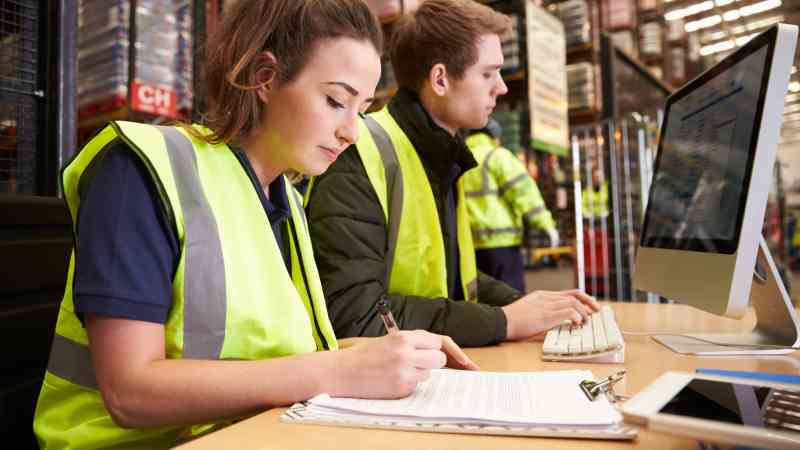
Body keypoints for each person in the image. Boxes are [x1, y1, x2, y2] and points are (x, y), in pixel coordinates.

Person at [33, 2, 477, 448]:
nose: (351, 132)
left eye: (360, 109)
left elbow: (271, 358)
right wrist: (335, 369)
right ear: (264, 77)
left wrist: (375, 354)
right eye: (335, 101)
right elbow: (130, 392)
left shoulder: (286, 204)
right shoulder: (142, 169)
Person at [305, 0, 599, 348]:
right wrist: (503, 321)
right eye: (488, 73)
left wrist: (525, 306)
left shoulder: (442, 156)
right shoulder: (358, 154)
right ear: (440, 79)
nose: (501, 87)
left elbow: (453, 281)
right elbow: (355, 314)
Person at [463, 119, 559, 292]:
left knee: (480, 301)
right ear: (494, 137)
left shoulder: (459, 158)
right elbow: (523, 192)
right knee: (510, 299)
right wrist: (546, 224)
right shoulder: (497, 156)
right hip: (502, 244)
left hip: (469, 246)